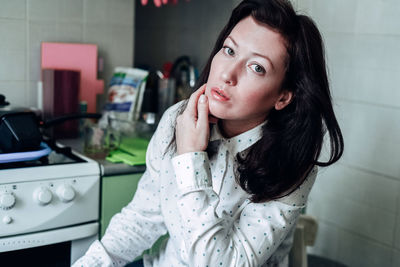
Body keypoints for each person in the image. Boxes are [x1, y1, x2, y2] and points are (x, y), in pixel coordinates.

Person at [73, 0, 344, 266]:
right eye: (229, 50)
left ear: (283, 97)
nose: (228, 74)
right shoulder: (177, 119)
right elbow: (142, 218)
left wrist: (190, 157)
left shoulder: (293, 164)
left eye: (257, 67)